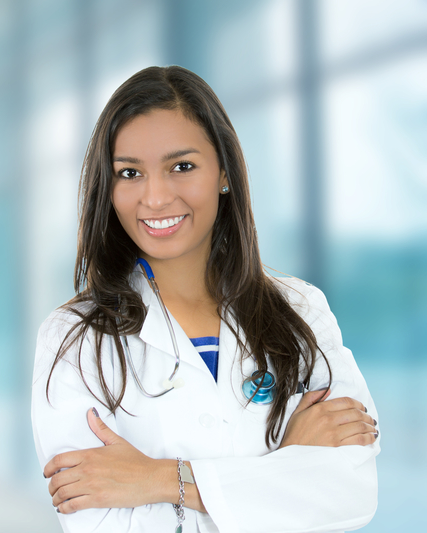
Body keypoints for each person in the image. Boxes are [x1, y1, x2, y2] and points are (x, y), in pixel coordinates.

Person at [31, 66, 379, 533]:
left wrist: (162, 481)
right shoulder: (75, 339)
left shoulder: (301, 311)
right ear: (108, 189)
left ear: (224, 174)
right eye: (130, 173)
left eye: (182, 167)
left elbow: (349, 495)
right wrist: (286, 465)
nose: (155, 198)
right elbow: (101, 521)